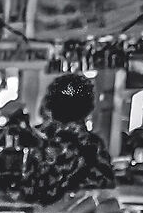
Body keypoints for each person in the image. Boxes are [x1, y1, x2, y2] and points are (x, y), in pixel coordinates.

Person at [21, 73, 113, 204]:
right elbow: (107, 188)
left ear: (50, 105)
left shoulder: (41, 142)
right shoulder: (94, 145)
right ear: (88, 108)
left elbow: (28, 191)